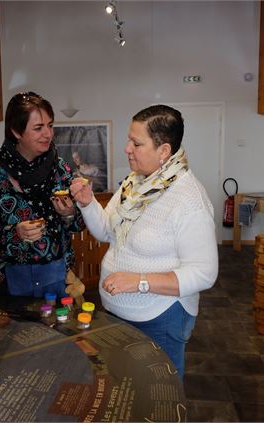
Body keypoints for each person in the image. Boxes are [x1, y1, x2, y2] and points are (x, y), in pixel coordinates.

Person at [70, 104, 218, 377]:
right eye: (129, 140)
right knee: (128, 389)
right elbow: (106, 232)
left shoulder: (189, 199)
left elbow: (204, 274)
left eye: (136, 143)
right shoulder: (135, 183)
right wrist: (88, 204)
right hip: (119, 312)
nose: (127, 148)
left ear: (164, 151)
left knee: (161, 396)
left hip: (160, 318)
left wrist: (138, 281)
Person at [0, 91, 85, 297]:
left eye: (50, 125)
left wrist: (69, 214)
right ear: (16, 131)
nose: (48, 134)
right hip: (11, 281)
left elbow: (79, 225)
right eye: (38, 128)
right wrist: (16, 234)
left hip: (59, 277)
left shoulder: (61, 169)